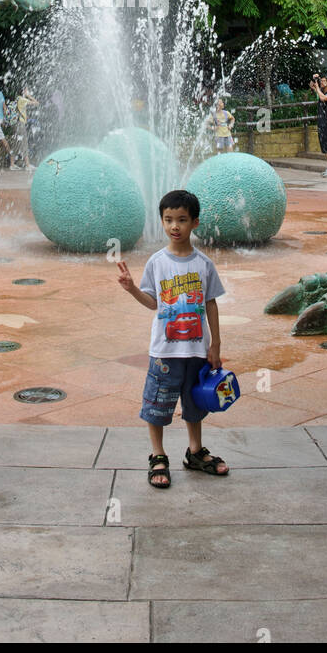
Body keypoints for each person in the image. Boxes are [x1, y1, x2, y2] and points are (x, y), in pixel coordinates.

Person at [117, 189, 228, 489]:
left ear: (195, 223)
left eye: (181, 219)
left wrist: (215, 344)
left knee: (195, 404)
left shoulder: (203, 264)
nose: (174, 226)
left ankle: (194, 452)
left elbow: (211, 303)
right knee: (157, 404)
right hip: (165, 351)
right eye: (168, 220)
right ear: (162, 222)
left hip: (196, 350)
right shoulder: (156, 262)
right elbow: (153, 303)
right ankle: (158, 455)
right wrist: (132, 289)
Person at [14, 88, 39, 169]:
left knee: (16, 144)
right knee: (24, 143)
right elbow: (36, 103)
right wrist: (28, 95)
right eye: (26, 91)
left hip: (17, 123)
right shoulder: (22, 99)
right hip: (20, 124)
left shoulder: (18, 99)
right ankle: (27, 165)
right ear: (23, 92)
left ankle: (12, 164)